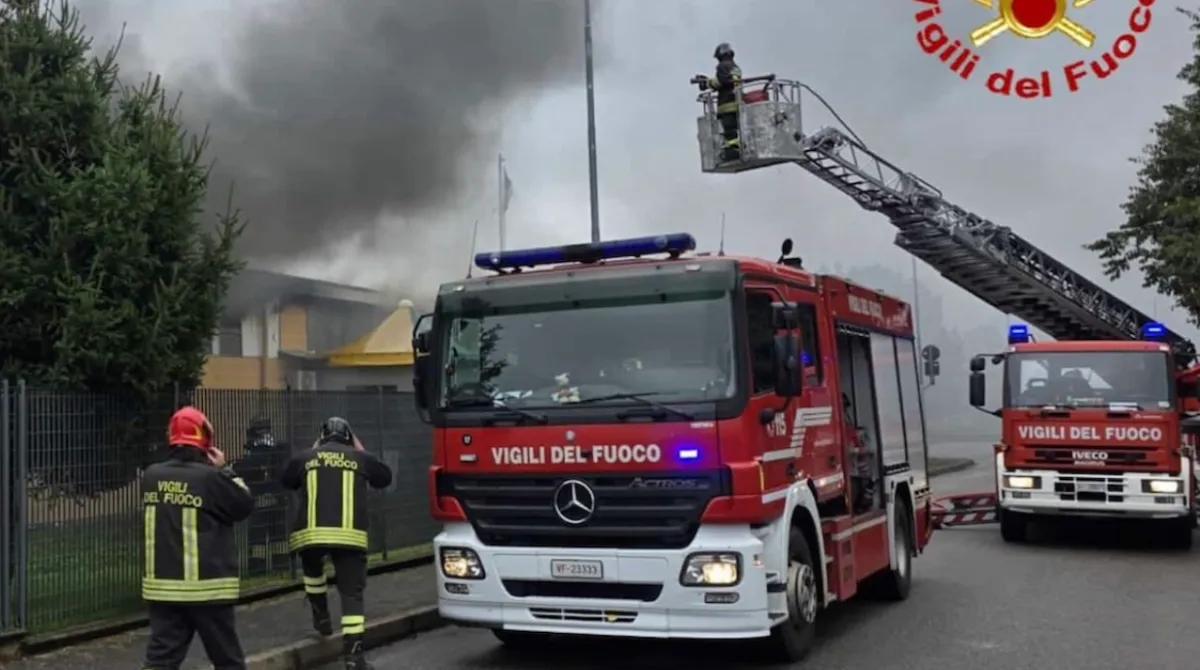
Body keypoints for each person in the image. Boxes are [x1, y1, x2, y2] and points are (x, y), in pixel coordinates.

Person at [141, 406, 255, 670]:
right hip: (208, 590)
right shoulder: (211, 478)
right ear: (205, 439)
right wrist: (227, 469)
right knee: (228, 661)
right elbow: (244, 505)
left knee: (160, 662)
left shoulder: (151, 476)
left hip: (163, 590)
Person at [281, 417, 393, 670]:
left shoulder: (305, 457)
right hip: (349, 538)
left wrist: (313, 453)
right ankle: (354, 658)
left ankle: (320, 615)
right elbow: (384, 478)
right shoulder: (360, 458)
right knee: (351, 595)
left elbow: (286, 480)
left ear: (321, 437)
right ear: (350, 438)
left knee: (312, 572)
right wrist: (361, 451)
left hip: (311, 536)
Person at [695, 42, 742, 162]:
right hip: (737, 102)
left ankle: (732, 153)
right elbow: (728, 81)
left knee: (728, 131)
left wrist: (707, 83)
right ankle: (734, 149)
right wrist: (708, 81)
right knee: (733, 130)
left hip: (726, 103)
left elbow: (723, 82)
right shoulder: (735, 67)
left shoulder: (722, 66)